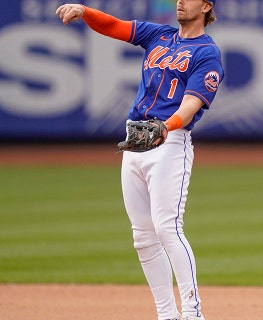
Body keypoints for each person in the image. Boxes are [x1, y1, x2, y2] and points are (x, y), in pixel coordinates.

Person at [56, 1, 223, 320]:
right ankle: (167, 314)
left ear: (205, 6)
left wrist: (166, 126)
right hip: (135, 141)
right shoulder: (159, 34)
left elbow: (189, 106)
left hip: (169, 142)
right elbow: (115, 27)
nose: (179, 1)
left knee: (167, 228)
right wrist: (85, 11)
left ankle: (192, 313)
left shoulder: (207, 53)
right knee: (142, 236)